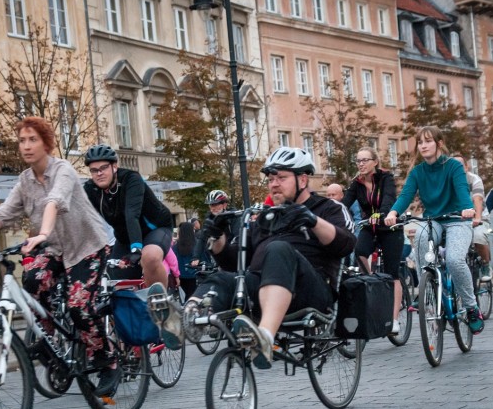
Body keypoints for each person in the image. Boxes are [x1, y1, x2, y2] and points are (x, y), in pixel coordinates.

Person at [147, 147, 356, 369]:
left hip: (312, 290)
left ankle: (265, 336)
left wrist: (312, 220)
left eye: (281, 178)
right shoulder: (266, 217)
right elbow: (236, 263)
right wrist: (218, 238)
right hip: (264, 289)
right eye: (271, 179)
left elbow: (346, 244)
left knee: (278, 249)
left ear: (303, 180)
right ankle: (183, 323)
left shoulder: (328, 208)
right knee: (222, 278)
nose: (274, 184)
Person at [0, 117, 120, 397]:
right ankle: (51, 338)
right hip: (56, 248)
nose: (26, 146)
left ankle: (107, 359)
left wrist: (42, 234)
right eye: (22, 140)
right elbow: (2, 214)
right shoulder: (25, 181)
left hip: (87, 246)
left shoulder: (63, 170)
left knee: (79, 305)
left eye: (33, 140)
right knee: (33, 281)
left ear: (46, 143)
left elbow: (54, 201)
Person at [383, 125, 484, 334]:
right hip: (433, 219)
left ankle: (471, 306)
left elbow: (462, 190)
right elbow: (405, 196)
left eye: (428, 141)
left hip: (457, 218)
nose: (423, 146)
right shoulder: (418, 172)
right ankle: (426, 288)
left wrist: (467, 208)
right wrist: (393, 213)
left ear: (438, 144)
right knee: (420, 237)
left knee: (455, 260)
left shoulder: (453, 166)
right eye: (420, 142)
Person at [83, 144, 174, 288]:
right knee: (114, 282)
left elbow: (131, 213)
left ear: (114, 166)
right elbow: (82, 219)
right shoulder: (90, 189)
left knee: (149, 257)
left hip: (154, 229)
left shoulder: (131, 179)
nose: (99, 173)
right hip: (124, 238)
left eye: (103, 168)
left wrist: (136, 248)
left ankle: (160, 302)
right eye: (94, 170)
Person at [341, 147, 404, 333]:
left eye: (364, 160)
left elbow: (389, 198)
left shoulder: (386, 178)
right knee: (360, 252)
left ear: (375, 162)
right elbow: (344, 203)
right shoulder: (356, 183)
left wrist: (383, 213)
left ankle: (394, 320)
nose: (361, 164)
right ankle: (373, 283)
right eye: (358, 160)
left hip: (389, 226)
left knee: (392, 273)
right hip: (370, 226)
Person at [451, 154, 492, 282]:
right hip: (457, 221)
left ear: (466, 167)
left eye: (460, 166)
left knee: (478, 236)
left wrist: (477, 217)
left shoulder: (474, 179)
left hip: (478, 219)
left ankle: (485, 265)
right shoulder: (448, 182)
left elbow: (477, 199)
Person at [172, 221, 199, 300]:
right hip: (194, 275)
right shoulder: (197, 244)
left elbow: (173, 262)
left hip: (180, 276)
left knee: (184, 297)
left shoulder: (176, 246)